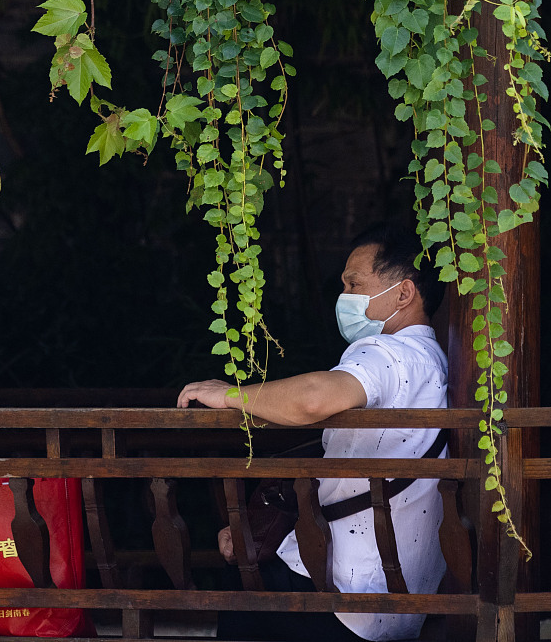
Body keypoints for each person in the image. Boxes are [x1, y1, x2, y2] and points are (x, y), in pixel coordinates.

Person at [175, 222, 449, 642]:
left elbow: (314, 399)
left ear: (404, 293)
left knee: (242, 591)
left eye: (354, 284)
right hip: (390, 593)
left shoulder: (391, 353)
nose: (345, 296)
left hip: (345, 589)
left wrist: (229, 394)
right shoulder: (431, 358)